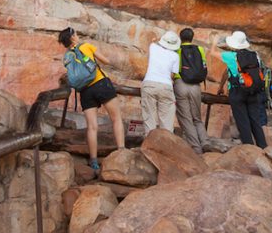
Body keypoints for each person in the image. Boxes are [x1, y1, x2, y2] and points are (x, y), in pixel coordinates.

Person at [58, 27, 125, 174]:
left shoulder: (67, 56)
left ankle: (93, 161)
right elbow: (106, 61)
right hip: (101, 84)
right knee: (116, 119)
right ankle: (121, 152)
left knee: (92, 127)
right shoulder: (86, 46)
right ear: (73, 37)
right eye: (75, 33)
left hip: (85, 91)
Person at [215, 30, 267, 148]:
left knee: (243, 122)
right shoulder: (255, 55)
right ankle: (263, 147)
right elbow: (227, 72)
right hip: (252, 90)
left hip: (237, 92)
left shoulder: (231, 56)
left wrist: (215, 40)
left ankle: (249, 148)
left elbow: (213, 52)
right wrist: (221, 85)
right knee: (255, 121)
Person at [174, 27, 209, 153]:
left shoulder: (177, 50)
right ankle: (205, 142)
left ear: (180, 38)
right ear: (192, 37)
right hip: (195, 85)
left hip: (181, 83)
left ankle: (196, 147)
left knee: (186, 118)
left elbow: (174, 68)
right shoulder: (200, 49)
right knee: (197, 117)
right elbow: (204, 65)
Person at [141, 31, 180, 135]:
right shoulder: (175, 56)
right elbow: (172, 75)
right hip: (166, 86)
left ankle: (149, 145)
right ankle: (166, 146)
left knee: (149, 118)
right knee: (167, 121)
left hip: (149, 83)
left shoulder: (153, 47)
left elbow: (152, 40)